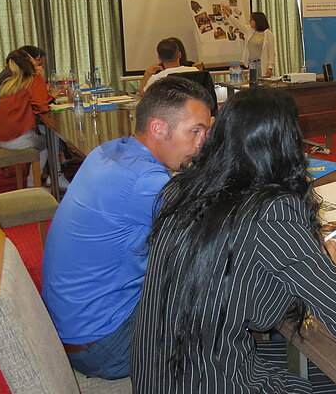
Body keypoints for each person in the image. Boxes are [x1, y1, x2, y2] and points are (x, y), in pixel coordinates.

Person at [131, 88, 336, 392]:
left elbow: (253, 307)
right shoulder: (272, 211)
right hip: (210, 380)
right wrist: (330, 267)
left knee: (304, 358)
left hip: (158, 376)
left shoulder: (181, 189)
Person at [41, 77, 213, 379]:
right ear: (158, 128)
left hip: (75, 324)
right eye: (196, 131)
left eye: (207, 132)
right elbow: (212, 240)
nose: (203, 142)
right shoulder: (146, 181)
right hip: (105, 345)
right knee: (225, 304)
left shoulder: (111, 151)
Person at [0, 50, 52, 186]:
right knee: (50, 143)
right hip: (15, 139)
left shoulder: (9, 83)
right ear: (29, 62)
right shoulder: (33, 80)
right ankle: (35, 182)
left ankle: (50, 177)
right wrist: (42, 80)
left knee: (43, 132)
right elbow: (42, 106)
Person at [232, 11, 277, 77]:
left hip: (262, 64)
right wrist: (228, 14)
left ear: (257, 21)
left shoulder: (268, 34)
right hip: (252, 63)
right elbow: (238, 24)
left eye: (251, 19)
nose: (249, 21)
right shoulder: (249, 30)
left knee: (263, 81)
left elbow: (271, 52)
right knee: (253, 82)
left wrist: (270, 67)